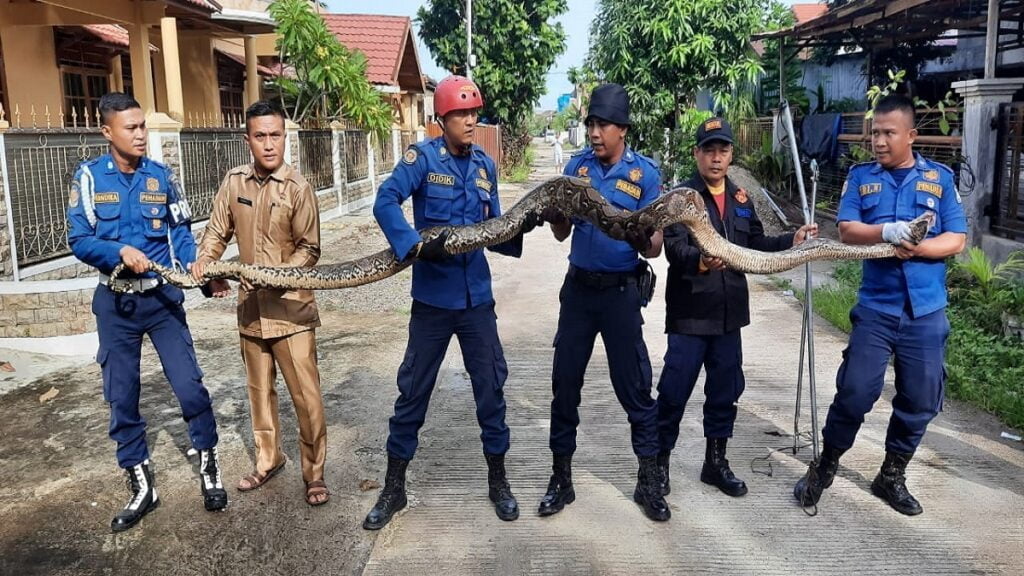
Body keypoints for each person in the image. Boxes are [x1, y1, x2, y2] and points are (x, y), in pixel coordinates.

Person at [364, 75, 541, 530]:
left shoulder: (485, 166)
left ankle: (498, 480)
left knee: (491, 390)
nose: (469, 120)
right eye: (460, 114)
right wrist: (414, 245)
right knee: (413, 394)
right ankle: (394, 487)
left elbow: (495, 229)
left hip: (476, 301)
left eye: (473, 113)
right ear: (442, 119)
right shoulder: (422, 159)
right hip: (432, 302)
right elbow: (385, 201)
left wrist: (524, 226)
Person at [794, 94, 966, 515]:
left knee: (922, 398)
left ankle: (891, 475)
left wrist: (919, 248)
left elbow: (957, 239)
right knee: (855, 391)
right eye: (875, 132)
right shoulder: (861, 178)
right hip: (877, 308)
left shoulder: (940, 179)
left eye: (889, 133)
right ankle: (826, 464)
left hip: (925, 311)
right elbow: (848, 229)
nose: (879, 141)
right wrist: (889, 232)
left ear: (911, 135)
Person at [67, 92, 227, 532]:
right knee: (122, 397)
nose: (141, 135)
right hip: (115, 303)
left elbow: (181, 229)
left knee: (189, 386)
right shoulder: (88, 178)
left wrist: (199, 266)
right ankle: (141, 484)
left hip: (161, 300)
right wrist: (118, 250)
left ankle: (210, 466)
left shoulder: (161, 175)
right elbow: (79, 240)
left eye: (142, 126)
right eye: (131, 127)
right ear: (107, 132)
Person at [656, 117, 817, 498]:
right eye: (709, 149)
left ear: (731, 154)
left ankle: (715, 463)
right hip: (691, 315)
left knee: (725, 392)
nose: (716, 158)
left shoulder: (742, 198)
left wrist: (791, 240)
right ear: (696, 153)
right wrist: (701, 260)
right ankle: (657, 466)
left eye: (723, 150)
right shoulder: (680, 199)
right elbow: (674, 250)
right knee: (674, 393)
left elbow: (756, 244)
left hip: (729, 317)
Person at [537, 83, 670, 522]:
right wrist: (556, 216)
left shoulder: (646, 175)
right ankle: (562, 478)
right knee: (565, 386)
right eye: (591, 124)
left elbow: (655, 247)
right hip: (578, 293)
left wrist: (640, 235)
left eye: (602, 125)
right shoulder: (576, 170)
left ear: (622, 129)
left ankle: (648, 480)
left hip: (620, 295)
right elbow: (561, 233)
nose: (594, 132)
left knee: (635, 388)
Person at [191, 101, 329, 507]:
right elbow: (217, 232)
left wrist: (277, 275)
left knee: (307, 397)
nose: (269, 145)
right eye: (260, 136)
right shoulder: (234, 183)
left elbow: (310, 248)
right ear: (247, 139)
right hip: (251, 310)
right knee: (259, 391)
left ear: (285, 137)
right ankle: (269, 459)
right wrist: (207, 261)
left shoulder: (299, 188)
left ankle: (314, 473)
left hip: (292, 311)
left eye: (275, 136)